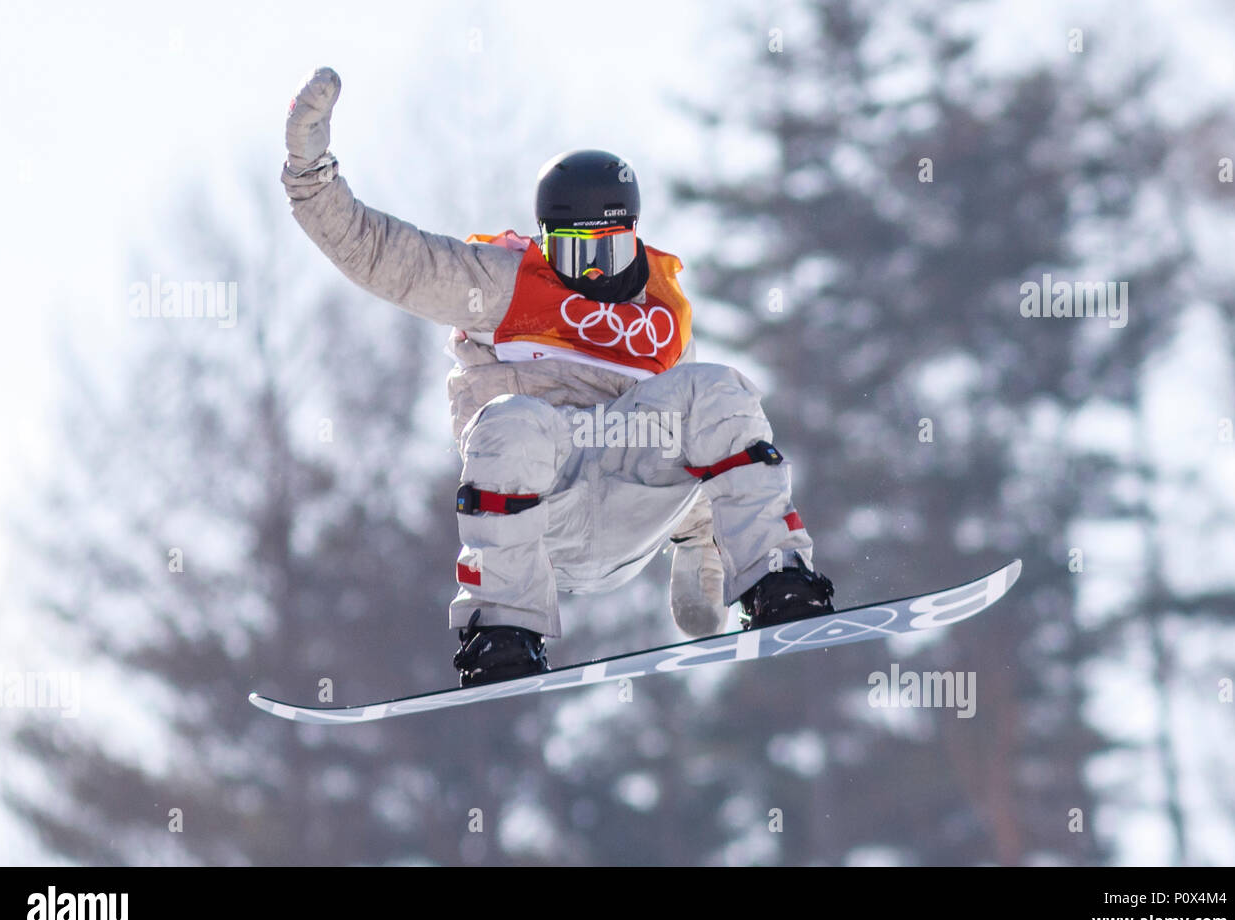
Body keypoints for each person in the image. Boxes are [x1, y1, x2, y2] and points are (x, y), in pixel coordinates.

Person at [282, 67, 834, 687]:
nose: (596, 274)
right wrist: (311, 175)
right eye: (577, 253)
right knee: (513, 422)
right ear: (547, 244)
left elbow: (705, 436)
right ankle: (504, 632)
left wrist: (699, 541)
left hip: (634, 500)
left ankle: (775, 580)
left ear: (635, 237)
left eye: (612, 252)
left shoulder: (662, 316)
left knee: (716, 386)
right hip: (547, 508)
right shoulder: (502, 282)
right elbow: (383, 254)